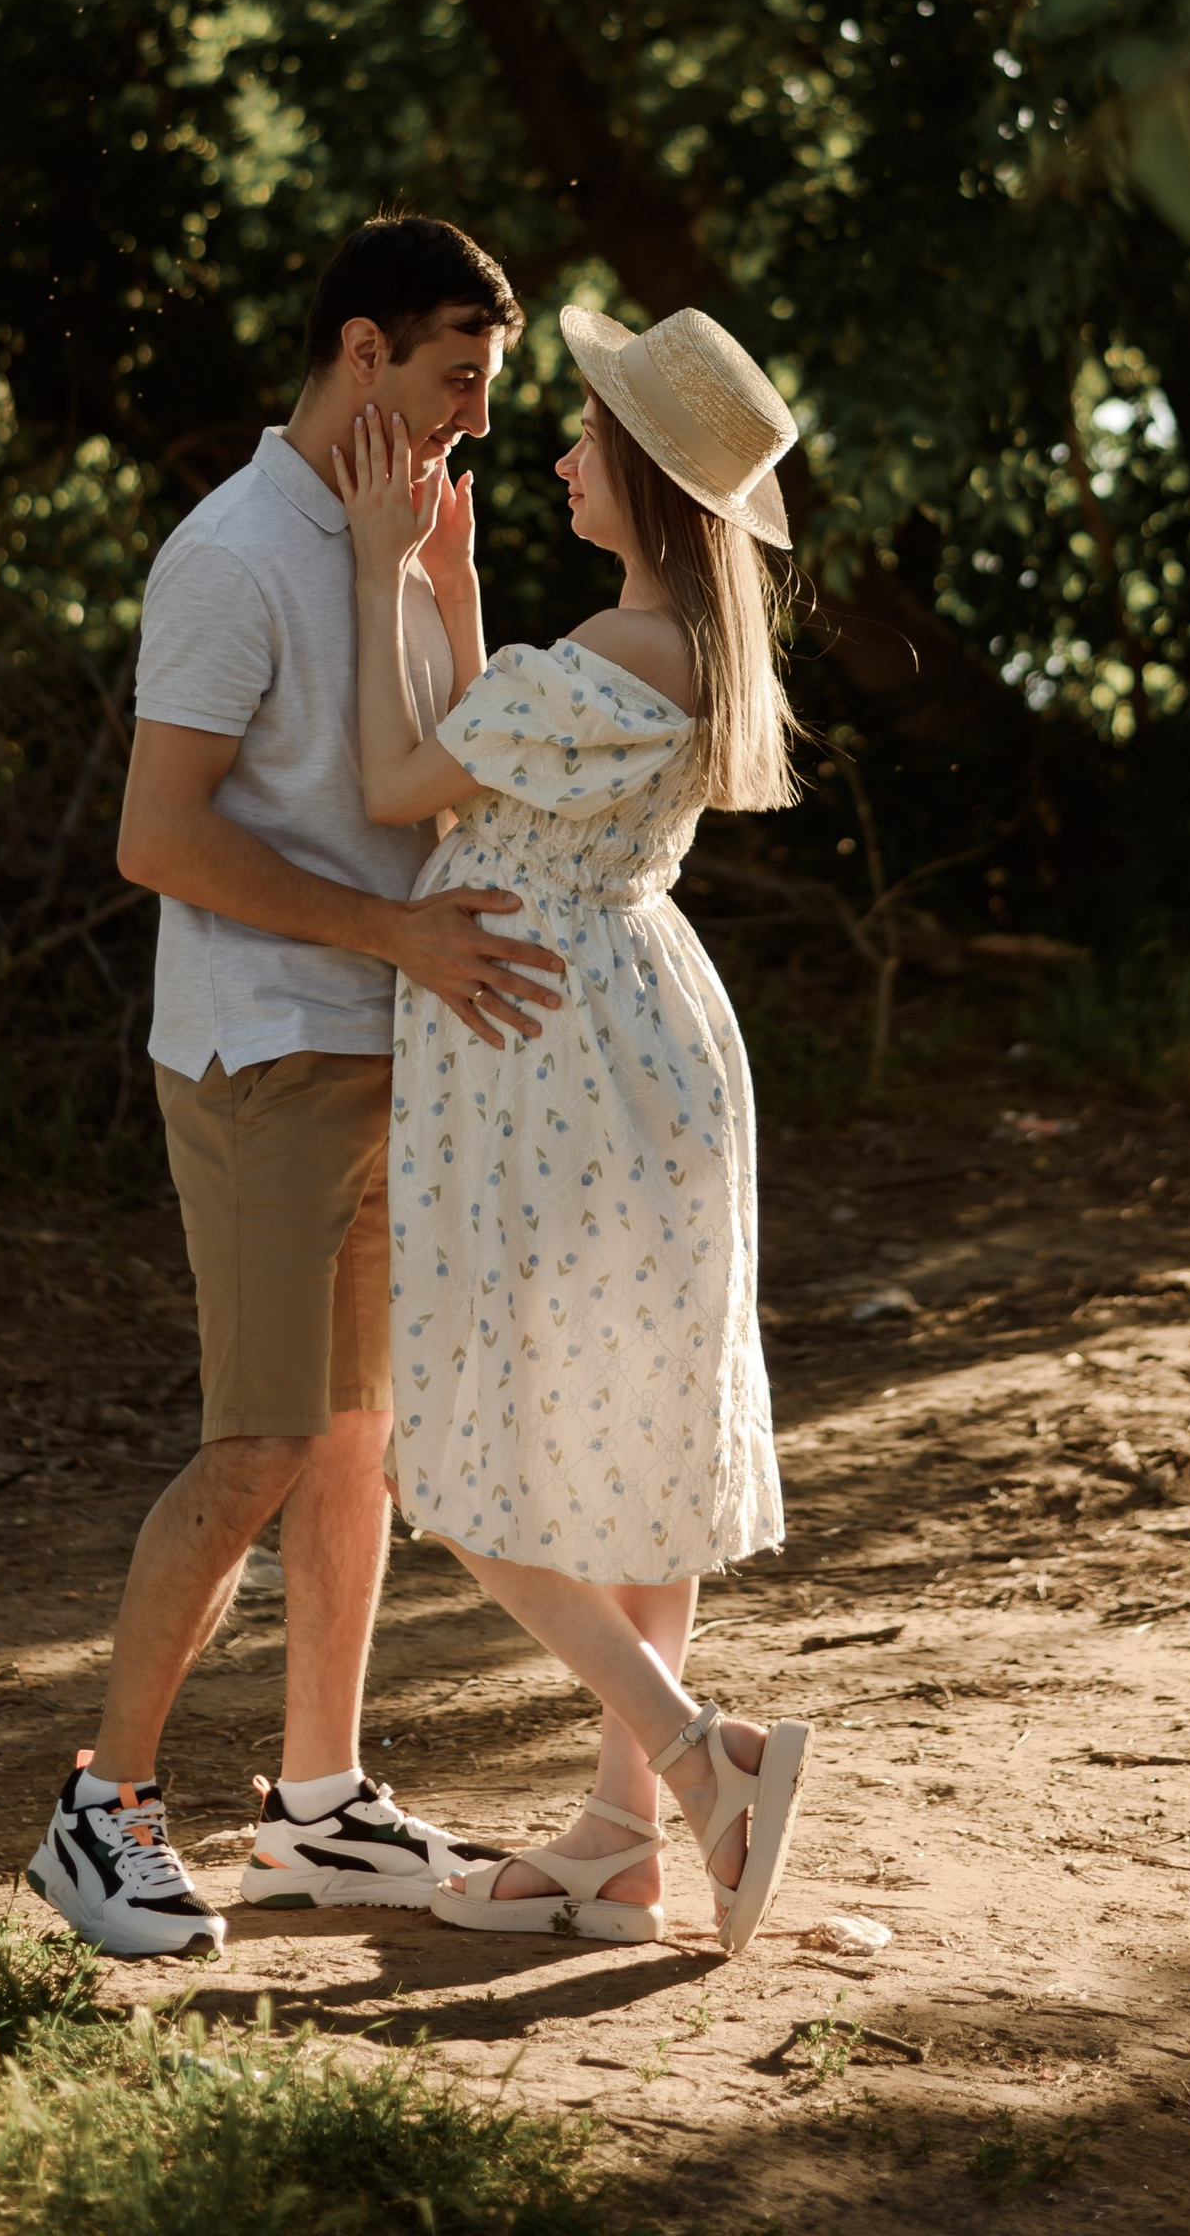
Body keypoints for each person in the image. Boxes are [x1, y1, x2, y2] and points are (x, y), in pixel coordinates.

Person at [27, 212, 555, 1960]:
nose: (475, 415)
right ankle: (99, 1817)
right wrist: (389, 942)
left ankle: (320, 1808)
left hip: (387, 1047)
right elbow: (154, 837)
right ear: (358, 354)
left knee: (354, 1444)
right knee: (256, 1440)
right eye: (455, 378)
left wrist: (444, 579)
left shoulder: (396, 533)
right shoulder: (232, 557)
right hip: (263, 1050)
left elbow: (443, 780)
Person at [333, 300, 809, 1956]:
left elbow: (403, 783)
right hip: (623, 1035)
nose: (555, 447)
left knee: (460, 1464)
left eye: (586, 432)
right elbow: (489, 767)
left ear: (650, 485)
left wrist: (377, 562)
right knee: (639, 1452)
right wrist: (453, 589)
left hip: (547, 1051)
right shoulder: (665, 647)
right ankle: (619, 1841)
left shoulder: (616, 655)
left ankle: (697, 1762)